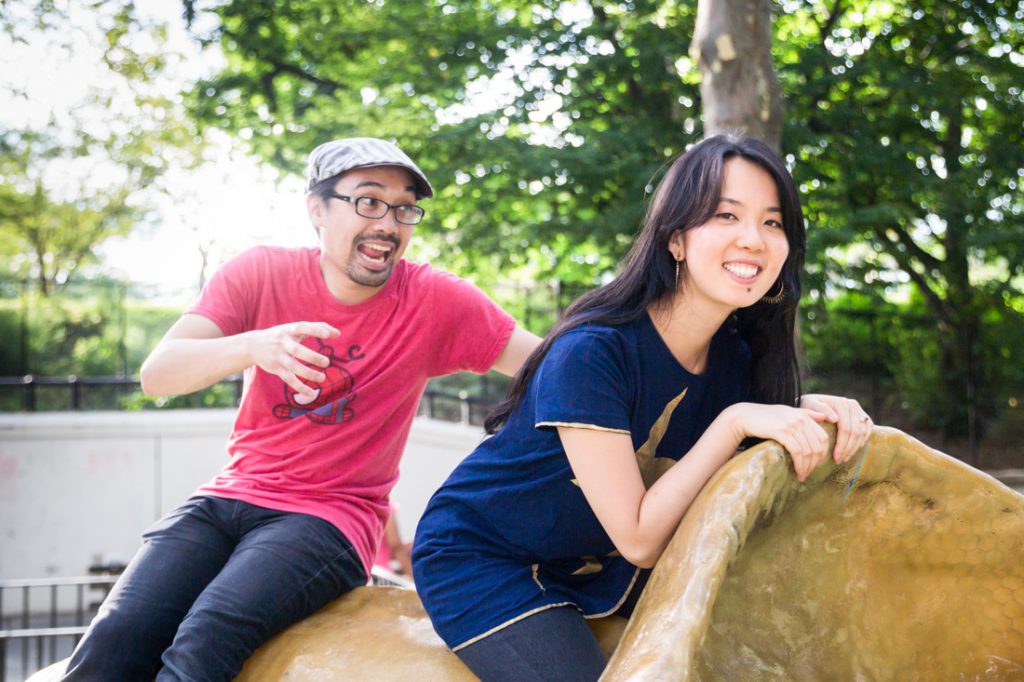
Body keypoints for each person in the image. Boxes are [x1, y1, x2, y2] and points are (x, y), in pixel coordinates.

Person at [61, 137, 540, 681]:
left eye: (404, 207)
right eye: (368, 200)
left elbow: (551, 361)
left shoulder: (434, 298)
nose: (389, 222)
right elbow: (158, 373)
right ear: (317, 208)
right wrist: (253, 345)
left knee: (207, 633)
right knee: (117, 634)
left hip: (329, 518)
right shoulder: (259, 272)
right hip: (228, 497)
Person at [411, 135, 873, 682]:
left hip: (600, 571)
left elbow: (726, 430)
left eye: (773, 223)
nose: (753, 239)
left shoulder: (735, 358)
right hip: (488, 560)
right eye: (727, 215)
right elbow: (639, 537)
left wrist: (804, 409)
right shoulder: (592, 352)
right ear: (675, 240)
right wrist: (736, 421)